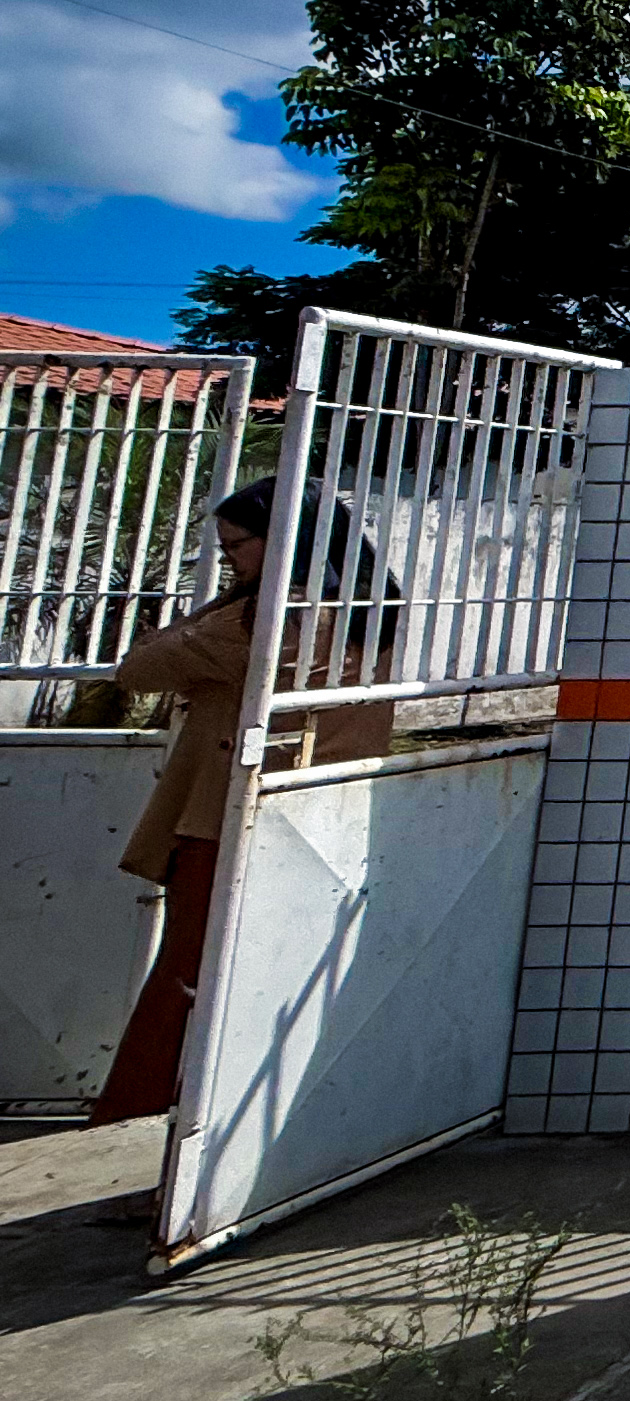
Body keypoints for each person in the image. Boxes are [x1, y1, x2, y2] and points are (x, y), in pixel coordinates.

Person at [89, 481, 403, 1135]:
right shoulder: (367, 604)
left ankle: (132, 1116)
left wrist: (201, 619)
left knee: (186, 969)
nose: (229, 559)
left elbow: (137, 668)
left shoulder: (262, 618)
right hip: (319, 805)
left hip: (224, 809)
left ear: (287, 539)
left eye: (237, 545)